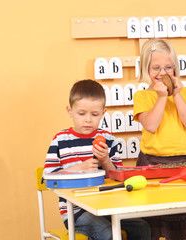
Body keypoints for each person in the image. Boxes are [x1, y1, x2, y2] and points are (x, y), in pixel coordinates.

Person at [43, 79, 151, 240]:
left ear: (103, 113)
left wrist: (105, 159)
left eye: (94, 114)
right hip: (76, 211)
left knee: (143, 228)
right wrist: (79, 169)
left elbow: (117, 177)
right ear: (70, 111)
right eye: (81, 113)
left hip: (106, 206)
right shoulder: (60, 140)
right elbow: (48, 177)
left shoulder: (108, 139)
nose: (88, 119)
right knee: (107, 233)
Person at [133, 39, 186, 240]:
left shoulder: (182, 92)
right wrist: (160, 97)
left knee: (179, 219)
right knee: (155, 221)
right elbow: (150, 125)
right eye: (155, 68)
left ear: (174, 68)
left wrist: (175, 94)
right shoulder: (142, 96)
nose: (162, 73)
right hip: (152, 162)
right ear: (146, 69)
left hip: (182, 161)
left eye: (168, 67)